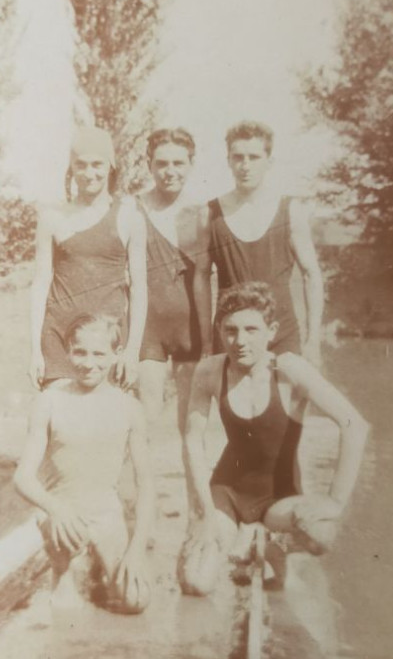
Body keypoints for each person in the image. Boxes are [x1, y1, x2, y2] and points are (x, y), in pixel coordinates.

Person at [180, 282, 368, 595]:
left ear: (272, 330)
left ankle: (273, 542)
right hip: (228, 491)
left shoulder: (290, 369)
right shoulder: (210, 371)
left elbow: (355, 425)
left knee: (322, 533)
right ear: (220, 331)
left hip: (279, 497)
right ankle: (239, 539)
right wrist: (205, 513)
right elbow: (192, 441)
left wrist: (335, 501)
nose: (240, 341)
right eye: (231, 330)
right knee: (195, 583)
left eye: (252, 330)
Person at [14, 313, 154, 614]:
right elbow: (23, 478)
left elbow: (147, 485)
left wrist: (137, 549)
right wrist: (55, 508)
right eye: (80, 352)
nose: (88, 363)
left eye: (99, 354)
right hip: (62, 515)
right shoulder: (49, 401)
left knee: (135, 600)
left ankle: (97, 562)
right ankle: (62, 572)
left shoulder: (129, 407)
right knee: (66, 610)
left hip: (105, 513)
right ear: (68, 351)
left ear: (116, 355)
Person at [29, 126, 147, 389]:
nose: (89, 173)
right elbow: (40, 284)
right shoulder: (52, 217)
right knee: (59, 422)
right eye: (80, 165)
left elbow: (140, 288)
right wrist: (35, 349)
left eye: (97, 164)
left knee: (105, 424)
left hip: (107, 341)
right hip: (59, 339)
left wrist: (132, 351)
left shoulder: (129, 217)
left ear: (111, 166)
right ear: (71, 168)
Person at [208, 121, 323, 364]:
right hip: (232, 336)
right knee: (230, 402)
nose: (245, 165)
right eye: (238, 157)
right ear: (228, 160)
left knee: (286, 401)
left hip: (280, 334)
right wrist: (206, 340)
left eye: (254, 157)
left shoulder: (291, 211)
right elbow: (198, 279)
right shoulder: (211, 213)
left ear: (269, 161)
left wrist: (313, 341)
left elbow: (312, 275)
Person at [136, 128, 212, 495]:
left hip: (190, 331)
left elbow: (205, 280)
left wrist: (209, 342)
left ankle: (198, 519)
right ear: (149, 165)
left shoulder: (201, 214)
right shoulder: (132, 209)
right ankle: (138, 513)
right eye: (161, 163)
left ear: (191, 165)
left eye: (178, 163)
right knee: (143, 423)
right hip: (146, 330)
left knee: (191, 429)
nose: (170, 171)